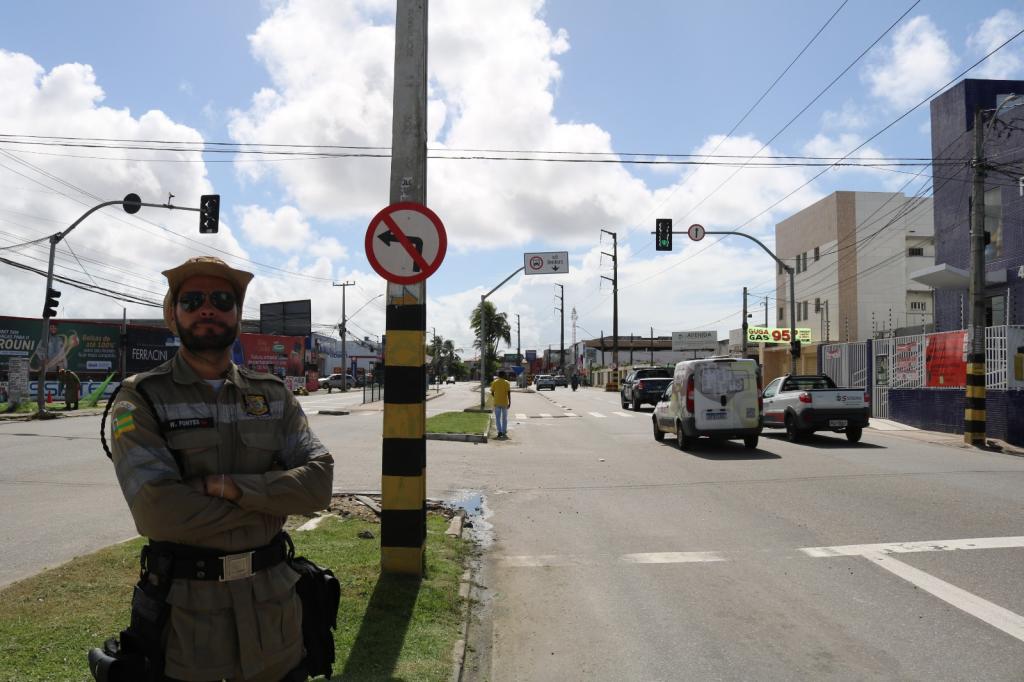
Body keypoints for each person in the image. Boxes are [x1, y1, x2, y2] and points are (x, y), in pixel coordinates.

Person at [108, 256, 334, 682]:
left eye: (222, 299)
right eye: (192, 299)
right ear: (173, 315)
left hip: (276, 619)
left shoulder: (274, 395)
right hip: (191, 627)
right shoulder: (141, 399)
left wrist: (225, 487)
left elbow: (319, 483)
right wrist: (269, 502)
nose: (207, 308)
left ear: (237, 313)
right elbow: (159, 512)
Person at [490, 370, 511, 440]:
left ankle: (499, 432)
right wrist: (510, 402)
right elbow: (508, 393)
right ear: (504, 375)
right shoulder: (507, 383)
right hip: (505, 402)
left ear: (498, 375)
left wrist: (495, 397)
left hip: (497, 403)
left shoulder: (494, 382)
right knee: (504, 418)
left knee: (497, 418)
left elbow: (492, 392)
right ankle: (504, 431)